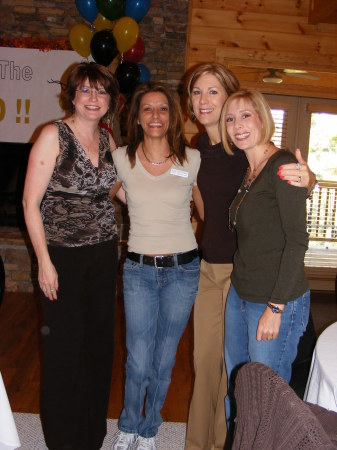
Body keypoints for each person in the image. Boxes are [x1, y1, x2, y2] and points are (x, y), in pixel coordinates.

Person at [184, 63, 316, 450]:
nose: (204, 100)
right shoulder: (203, 151)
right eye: (197, 92)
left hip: (258, 283)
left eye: (213, 92)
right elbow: (202, 207)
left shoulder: (254, 153)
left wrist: (310, 180)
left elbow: (292, 185)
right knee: (217, 371)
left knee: (253, 384)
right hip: (223, 276)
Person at [22, 62, 122, 450]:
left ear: (111, 100)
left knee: (98, 345)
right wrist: (43, 262)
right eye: (86, 90)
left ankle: (91, 432)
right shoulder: (53, 135)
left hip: (102, 254)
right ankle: (64, 438)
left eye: (101, 91)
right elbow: (30, 203)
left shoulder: (109, 140)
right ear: (73, 96)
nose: (93, 98)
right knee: (64, 347)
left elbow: (112, 191)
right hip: (61, 255)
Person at [110, 82, 201, 450]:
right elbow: (107, 190)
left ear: (172, 116)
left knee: (164, 357)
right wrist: (131, 200)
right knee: (138, 357)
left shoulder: (190, 160)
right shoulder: (120, 157)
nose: (155, 116)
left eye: (162, 109)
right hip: (139, 271)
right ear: (137, 116)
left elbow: (205, 209)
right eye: (147, 109)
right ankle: (128, 425)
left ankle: (149, 430)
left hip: (183, 270)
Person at [221, 88, 310, 435]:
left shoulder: (282, 166)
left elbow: (297, 241)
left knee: (266, 399)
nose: (238, 125)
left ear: (262, 118)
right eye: (231, 118)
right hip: (240, 295)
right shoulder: (249, 170)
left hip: (274, 301)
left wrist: (275, 307)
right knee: (237, 389)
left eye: (246, 115)